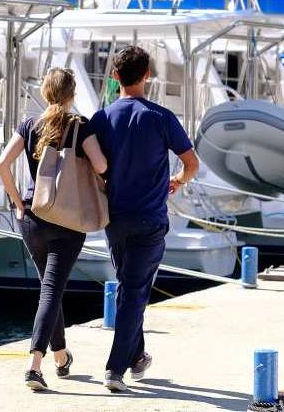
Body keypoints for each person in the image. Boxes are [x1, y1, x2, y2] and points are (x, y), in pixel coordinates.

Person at [86, 45, 199, 392]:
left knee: (128, 290)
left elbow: (94, 167)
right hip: (150, 219)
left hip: (116, 219)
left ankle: (136, 357)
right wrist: (178, 182)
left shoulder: (102, 119)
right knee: (133, 293)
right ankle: (115, 368)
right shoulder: (161, 117)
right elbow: (191, 163)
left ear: (114, 76)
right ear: (147, 75)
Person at [0, 68, 108, 392]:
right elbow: (101, 166)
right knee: (51, 290)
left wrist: (18, 203)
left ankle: (60, 356)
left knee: (50, 288)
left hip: (33, 217)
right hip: (69, 222)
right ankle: (34, 366)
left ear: (45, 92)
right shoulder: (79, 126)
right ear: (72, 94)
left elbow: (1, 165)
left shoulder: (30, 125)